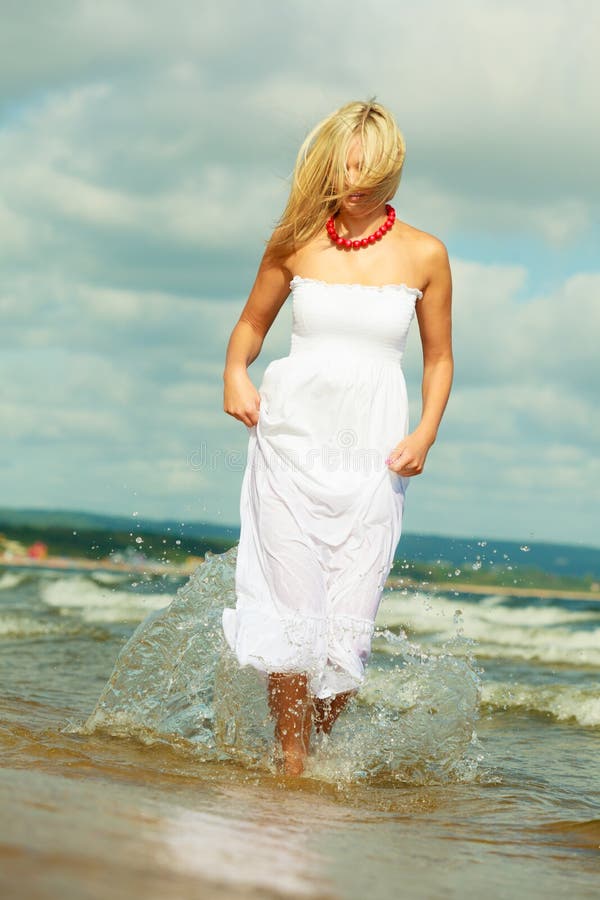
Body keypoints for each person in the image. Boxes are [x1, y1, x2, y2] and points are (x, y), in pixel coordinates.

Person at [222, 98, 453, 776]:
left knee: (347, 639)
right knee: (293, 620)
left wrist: (427, 433)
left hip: (374, 455)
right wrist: (235, 371)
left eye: (371, 171)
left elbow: (438, 358)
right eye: (346, 168)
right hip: (290, 441)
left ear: (393, 171)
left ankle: (306, 744)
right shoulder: (294, 239)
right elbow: (250, 328)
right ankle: (293, 759)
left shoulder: (425, 254)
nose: (356, 182)